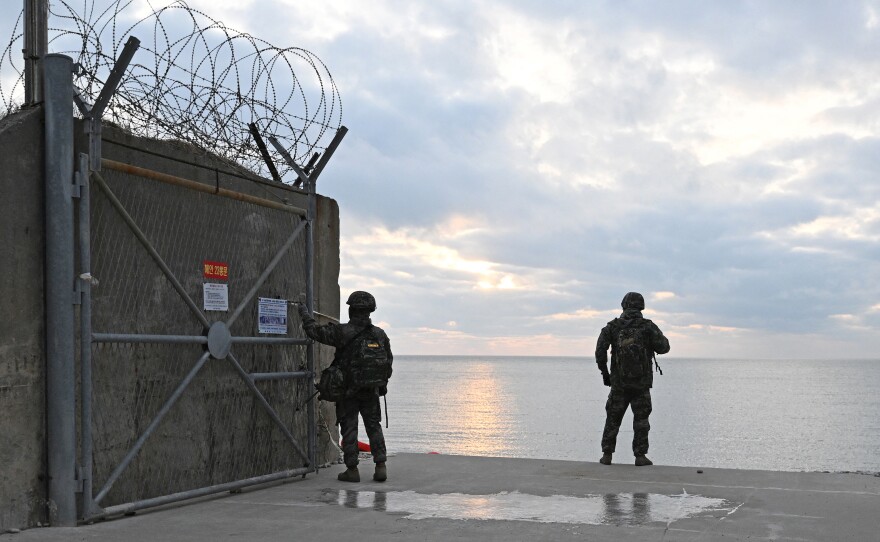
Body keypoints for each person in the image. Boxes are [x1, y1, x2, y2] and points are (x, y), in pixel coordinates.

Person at [297, 291, 393, 482]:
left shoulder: (342, 332)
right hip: (371, 392)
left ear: (351, 310)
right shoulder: (380, 335)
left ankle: (352, 470)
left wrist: (304, 314)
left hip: (347, 392)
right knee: (374, 427)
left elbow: (314, 332)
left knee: (349, 429)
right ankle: (380, 466)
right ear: (370, 311)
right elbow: (388, 364)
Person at [595, 292, 670, 466]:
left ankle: (607, 455)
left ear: (623, 305)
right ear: (641, 306)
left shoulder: (612, 327)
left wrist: (605, 374)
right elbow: (664, 347)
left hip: (619, 384)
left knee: (613, 419)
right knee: (641, 421)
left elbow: (600, 352)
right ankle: (640, 456)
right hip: (641, 384)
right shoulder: (647, 326)